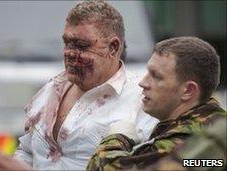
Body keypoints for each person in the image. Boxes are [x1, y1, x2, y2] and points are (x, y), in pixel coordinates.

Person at [0, 0, 158, 170]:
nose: (70, 53)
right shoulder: (52, 89)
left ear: (113, 48)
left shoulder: (142, 102)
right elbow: (28, 151)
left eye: (81, 45)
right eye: (67, 43)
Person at [87, 36, 227, 170]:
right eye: (148, 72)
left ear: (188, 90)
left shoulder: (184, 142)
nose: (142, 83)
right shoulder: (213, 121)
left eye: (156, 76)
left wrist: (115, 141)